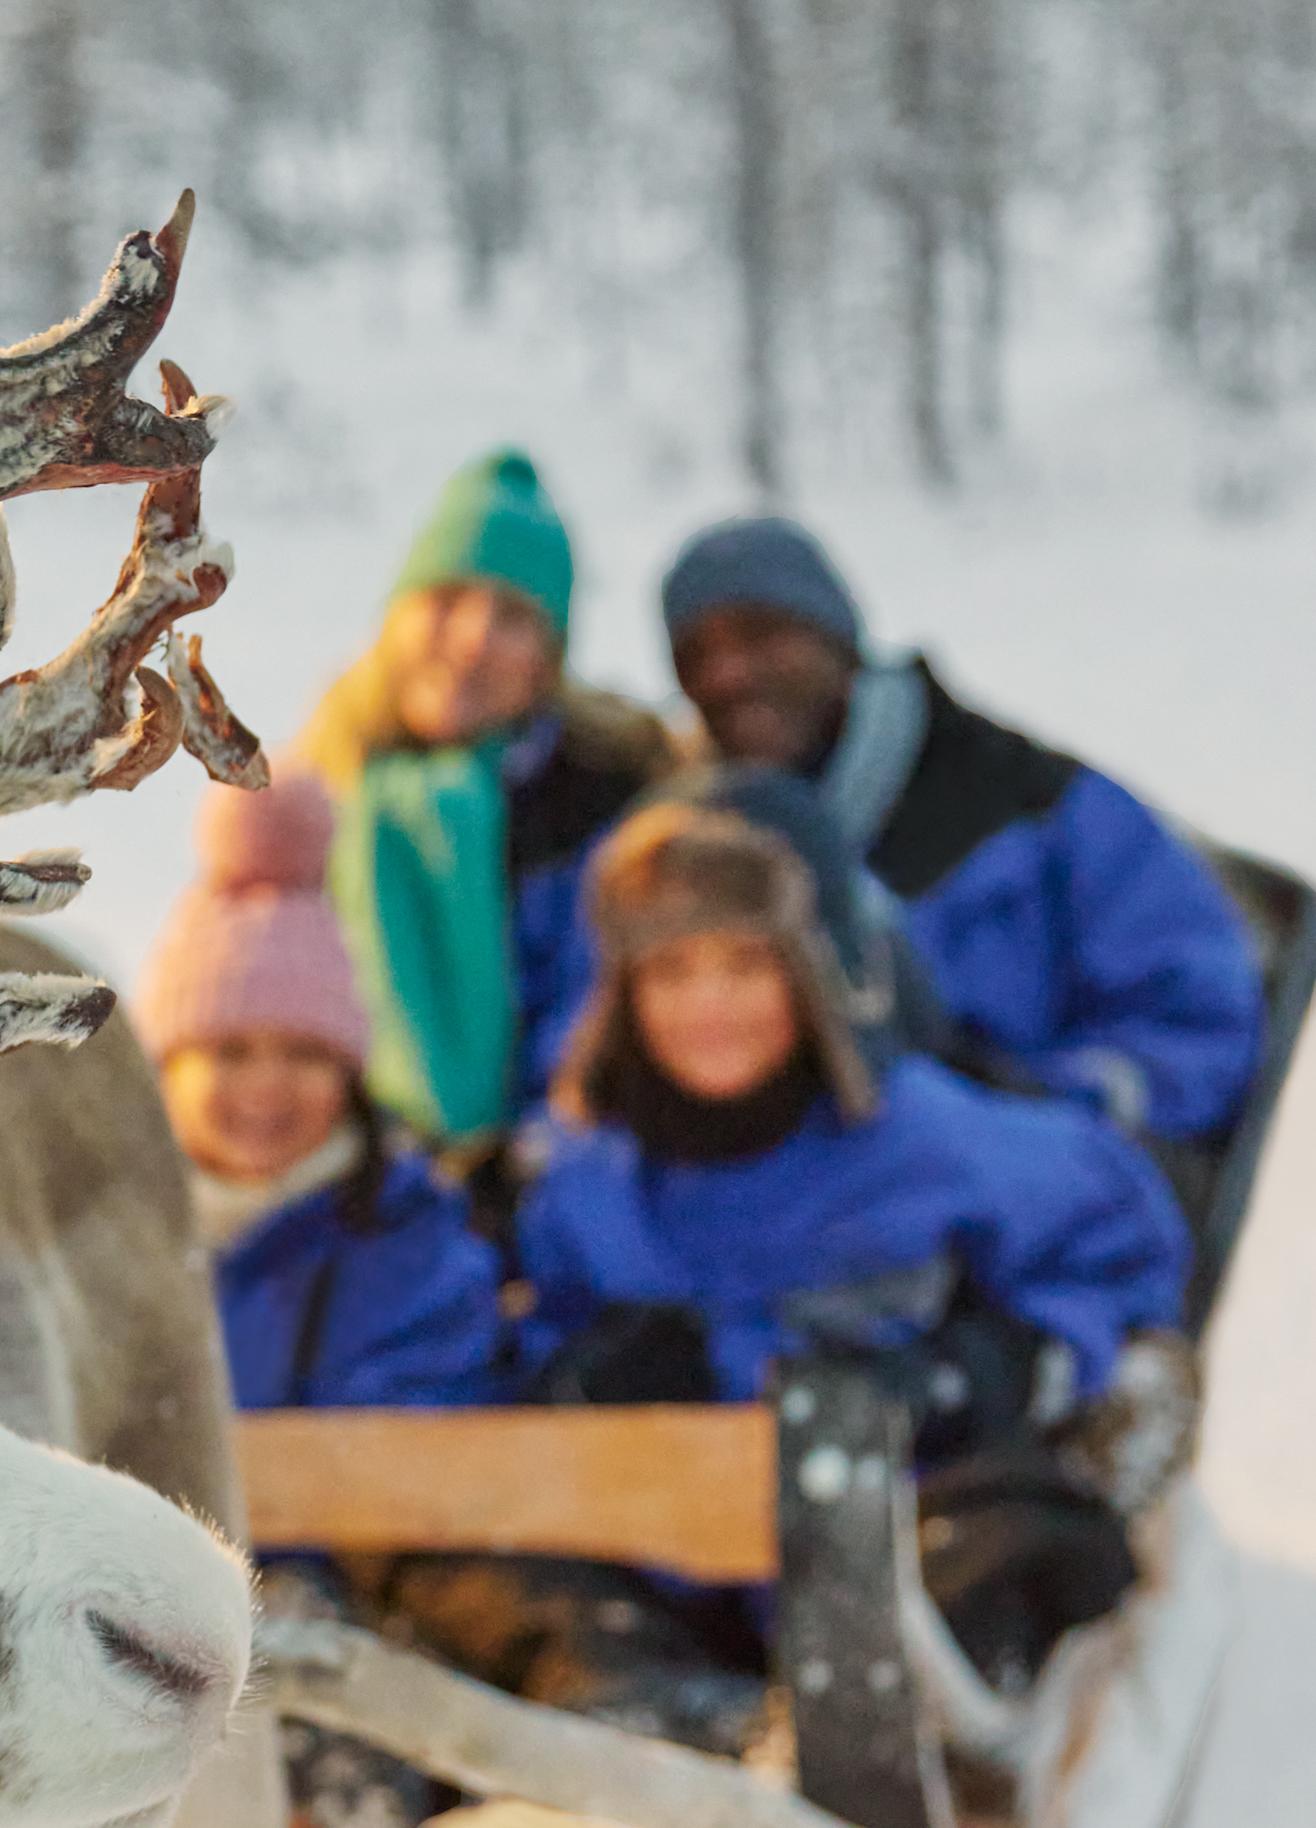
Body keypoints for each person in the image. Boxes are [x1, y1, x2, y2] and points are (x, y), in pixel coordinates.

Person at [522, 784, 1194, 1700]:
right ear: (624, 998)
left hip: (912, 1516)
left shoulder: (918, 1137)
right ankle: (668, 1727)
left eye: (745, 966)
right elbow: (538, 1328)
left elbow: (1121, 1227)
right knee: (528, 1585)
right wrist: (586, 1376)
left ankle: (929, 1734)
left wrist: (1000, 1358)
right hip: (696, 1555)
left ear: (805, 978)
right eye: (671, 974)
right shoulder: (590, 1187)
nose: (710, 1006)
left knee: (1005, 1544)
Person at [135, 773, 504, 1828]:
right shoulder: (103, 1225)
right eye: (231, 1051)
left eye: (303, 1054)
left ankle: (351, 1785)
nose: (267, 1086)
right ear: (170, 1067)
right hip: (135, 1576)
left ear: (349, 1071)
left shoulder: (403, 1230)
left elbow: (413, 1419)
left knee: (314, 1636)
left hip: (334, 1581)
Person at [657, 513, 1263, 1151]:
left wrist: (1038, 1115)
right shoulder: (681, 847)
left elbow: (1197, 1023)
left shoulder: (1040, 810)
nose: (725, 675)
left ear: (837, 641)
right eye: (694, 655)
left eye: (762, 635)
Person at [291, 448, 668, 1155]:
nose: (473, 640)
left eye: (513, 618)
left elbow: (601, 1027)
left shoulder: (607, 812)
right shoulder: (304, 803)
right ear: (395, 620)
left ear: (547, 661)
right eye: (446, 602)